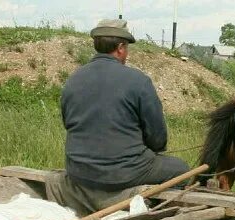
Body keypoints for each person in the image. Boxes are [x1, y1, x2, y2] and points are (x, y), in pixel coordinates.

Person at [60, 19, 189, 192]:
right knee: (181, 170)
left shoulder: (73, 79)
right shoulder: (138, 81)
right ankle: (147, 208)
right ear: (120, 48)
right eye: (127, 47)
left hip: (78, 171)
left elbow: (68, 123)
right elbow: (158, 140)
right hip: (123, 174)